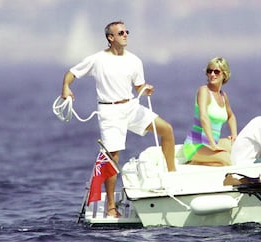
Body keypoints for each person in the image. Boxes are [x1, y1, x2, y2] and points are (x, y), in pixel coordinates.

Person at [61, 21, 176, 218]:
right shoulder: (97, 59)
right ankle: (111, 207)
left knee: (166, 130)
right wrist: (66, 88)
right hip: (110, 112)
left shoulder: (134, 60)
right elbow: (72, 73)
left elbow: (139, 86)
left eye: (126, 31)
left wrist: (145, 89)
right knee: (112, 157)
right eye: (121, 32)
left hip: (131, 106)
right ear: (110, 37)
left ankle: (172, 177)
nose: (125, 35)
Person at [183, 57, 237, 166]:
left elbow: (231, 116)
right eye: (209, 71)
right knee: (226, 159)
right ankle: (194, 162)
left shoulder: (223, 96)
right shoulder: (203, 91)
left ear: (224, 75)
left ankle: (199, 162)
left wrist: (234, 135)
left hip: (212, 143)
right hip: (196, 145)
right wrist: (213, 145)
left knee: (238, 148)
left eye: (216, 71)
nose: (212, 74)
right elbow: (203, 117)